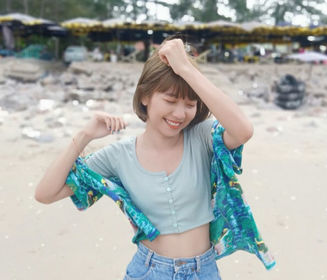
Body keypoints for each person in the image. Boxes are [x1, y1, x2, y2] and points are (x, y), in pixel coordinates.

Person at [34, 35, 254, 279]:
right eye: (170, 100)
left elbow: (243, 130)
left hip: (203, 271)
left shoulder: (202, 138)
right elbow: (46, 194)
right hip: (149, 271)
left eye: (190, 104)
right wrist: (84, 136)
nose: (179, 114)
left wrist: (185, 68)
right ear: (144, 97)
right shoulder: (118, 156)